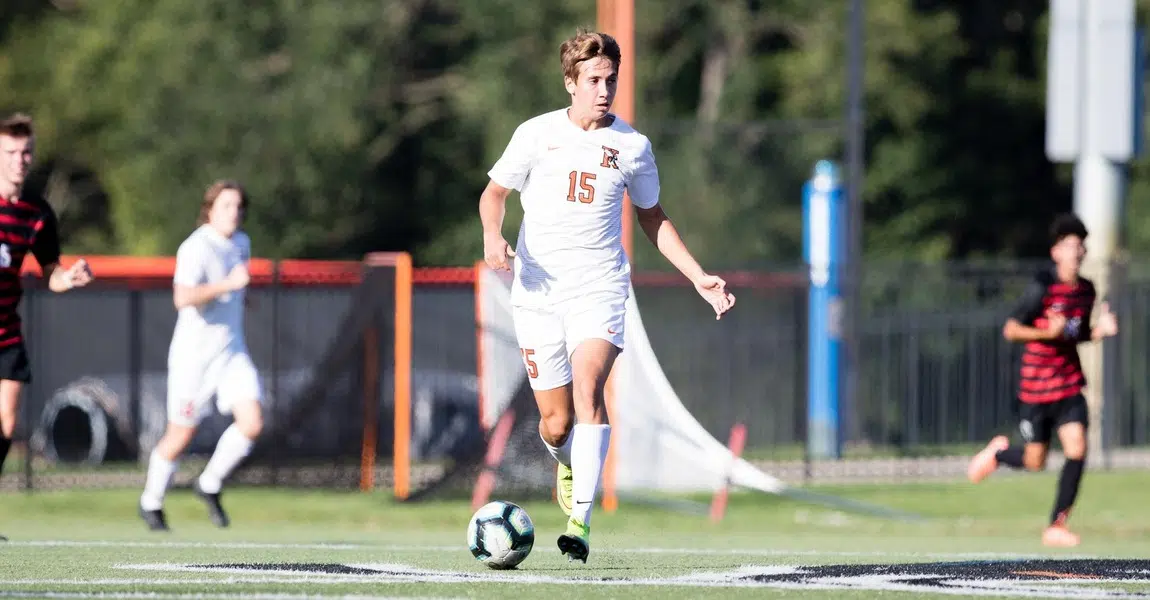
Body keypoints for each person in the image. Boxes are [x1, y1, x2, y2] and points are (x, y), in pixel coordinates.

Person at [479, 29, 735, 563]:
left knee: (590, 389)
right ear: (571, 82)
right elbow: (495, 193)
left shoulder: (633, 147)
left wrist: (697, 275)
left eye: (611, 79)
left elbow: (653, 218)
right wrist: (491, 235)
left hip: (598, 288)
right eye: (594, 79)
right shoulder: (535, 134)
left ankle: (582, 521)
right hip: (537, 292)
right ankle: (567, 462)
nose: (604, 89)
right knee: (555, 423)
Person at [967, 213, 1117, 547]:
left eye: (1080, 246)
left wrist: (1098, 332)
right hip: (1036, 388)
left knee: (1077, 448)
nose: (1076, 252)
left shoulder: (1086, 291)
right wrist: (1045, 332)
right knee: (1035, 461)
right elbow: (1011, 329)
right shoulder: (1041, 287)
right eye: (1069, 245)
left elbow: (1074, 334)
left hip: (1068, 384)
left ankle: (1057, 525)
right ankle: (998, 455)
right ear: (1056, 252)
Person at [138, 180, 263, 532]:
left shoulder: (241, 243)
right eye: (226, 206)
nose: (234, 213)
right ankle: (151, 502)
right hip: (194, 359)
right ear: (209, 209)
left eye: (238, 206)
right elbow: (182, 298)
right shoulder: (195, 247)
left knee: (252, 422)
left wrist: (243, 297)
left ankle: (209, 484)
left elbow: (237, 288)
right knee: (180, 437)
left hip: (232, 353)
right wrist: (228, 286)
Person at [0, 113, 94, 531]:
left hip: (6, 331)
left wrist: (68, 277)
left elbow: (50, 271)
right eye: (10, 153)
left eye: (26, 152)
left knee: (5, 423)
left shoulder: (37, 213)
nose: (20, 160)